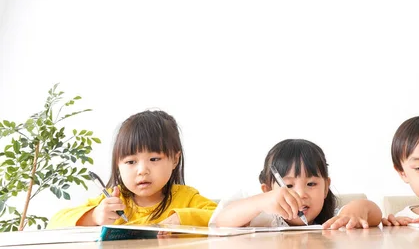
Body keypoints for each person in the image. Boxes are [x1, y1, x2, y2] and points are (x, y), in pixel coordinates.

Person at [48, 110, 216, 227]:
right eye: (130, 162)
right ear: (118, 165)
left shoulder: (186, 198)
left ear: (175, 159)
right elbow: (55, 222)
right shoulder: (114, 201)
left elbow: (223, 217)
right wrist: (94, 216)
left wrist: (181, 218)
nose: (142, 170)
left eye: (154, 159)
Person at [210, 138, 382, 229]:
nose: (301, 194)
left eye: (311, 184)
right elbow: (222, 221)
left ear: (325, 188)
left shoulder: (333, 221)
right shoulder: (262, 218)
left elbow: (373, 212)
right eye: (289, 186)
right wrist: (260, 202)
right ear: (268, 191)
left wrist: (356, 210)